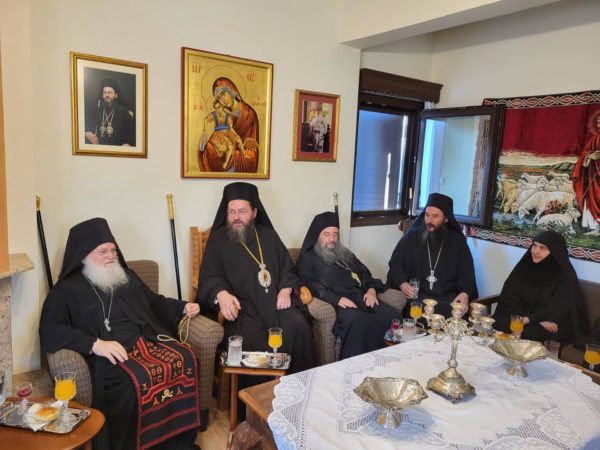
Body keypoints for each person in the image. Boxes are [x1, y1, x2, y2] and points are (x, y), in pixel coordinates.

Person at [39, 218, 201, 450]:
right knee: (130, 383)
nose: (110, 256)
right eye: (103, 251)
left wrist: (182, 307)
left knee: (185, 357)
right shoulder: (65, 290)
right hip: (110, 356)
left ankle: (176, 441)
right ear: (83, 256)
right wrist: (94, 344)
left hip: (145, 342)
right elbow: (50, 328)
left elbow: (155, 303)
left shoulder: (126, 276)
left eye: (113, 250)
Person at [196, 182, 314, 373]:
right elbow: (208, 277)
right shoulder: (218, 240)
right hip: (242, 310)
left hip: (275, 304)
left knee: (299, 326)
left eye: (242, 211)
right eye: (231, 212)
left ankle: (298, 385)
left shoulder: (269, 235)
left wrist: (286, 288)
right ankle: (258, 392)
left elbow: (287, 267)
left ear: (254, 212)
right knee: (253, 341)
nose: (236, 217)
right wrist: (221, 294)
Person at [297, 212, 401, 359]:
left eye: (335, 234)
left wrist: (371, 290)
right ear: (317, 235)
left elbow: (365, 273)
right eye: (326, 234)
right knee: (359, 321)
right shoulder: (307, 258)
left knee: (393, 317)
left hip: (362, 298)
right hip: (339, 304)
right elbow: (310, 285)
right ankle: (363, 365)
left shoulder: (345, 253)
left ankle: (390, 360)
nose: (332, 239)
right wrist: (337, 299)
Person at [387, 193, 478, 317]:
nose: (429, 221)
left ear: (446, 219)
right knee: (413, 310)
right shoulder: (412, 236)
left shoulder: (458, 242)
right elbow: (395, 263)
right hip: (416, 297)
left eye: (435, 216)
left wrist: (465, 293)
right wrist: (402, 283)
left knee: (454, 314)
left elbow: (467, 272)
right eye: (427, 215)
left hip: (446, 299)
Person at [492, 231, 589, 345]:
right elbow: (509, 298)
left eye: (543, 248)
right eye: (534, 245)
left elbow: (557, 309)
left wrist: (529, 320)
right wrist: (525, 319)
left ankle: (519, 332)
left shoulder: (563, 276)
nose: (535, 251)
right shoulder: (524, 267)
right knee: (497, 321)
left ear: (554, 252)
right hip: (526, 318)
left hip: (547, 321)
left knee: (533, 332)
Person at [197, 77, 259, 173]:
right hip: (223, 147)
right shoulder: (222, 114)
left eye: (223, 94)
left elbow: (252, 151)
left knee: (249, 158)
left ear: (232, 91)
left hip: (238, 154)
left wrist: (230, 150)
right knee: (207, 149)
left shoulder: (249, 114)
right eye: (219, 98)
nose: (223, 100)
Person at [85, 78, 135, 146]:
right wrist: (87, 133)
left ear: (116, 95)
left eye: (109, 92)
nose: (107, 95)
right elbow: (87, 125)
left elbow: (131, 133)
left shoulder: (124, 112)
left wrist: (128, 143)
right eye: (105, 92)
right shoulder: (96, 109)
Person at [573, 110, 600, 235]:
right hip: (592, 176)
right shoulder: (594, 139)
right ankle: (593, 224)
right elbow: (584, 153)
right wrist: (590, 156)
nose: (598, 124)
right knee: (592, 197)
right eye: (598, 122)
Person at [198, 99, 245, 170]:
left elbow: (231, 128)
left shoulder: (228, 116)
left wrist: (236, 134)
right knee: (220, 148)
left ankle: (242, 154)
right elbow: (205, 119)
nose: (218, 110)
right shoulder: (214, 115)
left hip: (227, 135)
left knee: (231, 145)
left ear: (222, 107)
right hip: (217, 135)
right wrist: (204, 130)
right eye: (216, 108)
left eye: (219, 107)